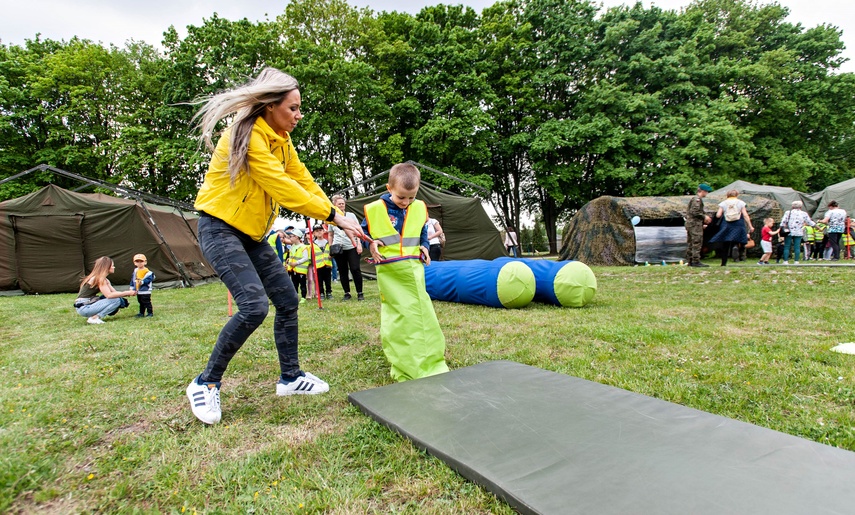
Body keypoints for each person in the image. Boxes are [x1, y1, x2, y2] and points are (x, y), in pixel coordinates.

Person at [187, 67, 364, 425]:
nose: (299, 116)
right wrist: (334, 216)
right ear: (269, 106)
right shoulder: (248, 136)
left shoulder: (282, 141)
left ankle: (290, 377)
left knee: (286, 300)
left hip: (251, 235)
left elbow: (303, 181)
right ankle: (205, 383)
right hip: (220, 229)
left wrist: (339, 214)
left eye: (300, 109)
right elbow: (284, 190)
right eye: (293, 108)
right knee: (253, 307)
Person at [361, 162, 450, 382]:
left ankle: (430, 359)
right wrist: (371, 243)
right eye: (401, 197)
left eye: (411, 197)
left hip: (414, 270)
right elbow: (364, 233)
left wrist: (425, 247)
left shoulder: (418, 207)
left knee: (421, 312)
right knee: (399, 315)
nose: (406, 202)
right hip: (390, 273)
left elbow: (421, 231)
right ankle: (404, 361)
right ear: (389, 188)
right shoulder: (375, 210)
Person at [74, 256, 136, 324]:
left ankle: (94, 317)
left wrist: (130, 292)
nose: (114, 267)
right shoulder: (100, 279)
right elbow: (109, 295)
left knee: (118, 299)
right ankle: (95, 318)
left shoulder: (104, 279)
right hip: (84, 307)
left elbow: (114, 293)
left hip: (85, 305)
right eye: (112, 265)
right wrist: (126, 293)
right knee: (116, 300)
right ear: (106, 267)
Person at [329, 194, 364, 301]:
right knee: (342, 270)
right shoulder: (332, 218)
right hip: (338, 247)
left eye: (343, 203)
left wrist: (359, 244)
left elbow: (357, 230)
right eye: (339, 204)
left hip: (352, 246)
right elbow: (330, 234)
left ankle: (360, 292)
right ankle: (347, 293)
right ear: (335, 205)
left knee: (355, 269)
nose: (342, 205)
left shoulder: (351, 216)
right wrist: (331, 247)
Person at [708, 189, 754, 266]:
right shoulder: (741, 203)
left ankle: (723, 262)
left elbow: (718, 215)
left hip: (727, 224)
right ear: (736, 195)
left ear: (727, 195)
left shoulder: (723, 203)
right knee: (737, 239)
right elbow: (745, 215)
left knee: (725, 243)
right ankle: (736, 249)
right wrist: (750, 226)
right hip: (738, 224)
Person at [685, 183, 713, 267]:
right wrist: (704, 217)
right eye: (707, 192)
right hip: (694, 224)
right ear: (703, 191)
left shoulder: (694, 199)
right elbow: (695, 212)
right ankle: (695, 261)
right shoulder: (697, 199)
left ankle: (690, 260)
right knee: (697, 242)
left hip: (691, 223)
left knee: (691, 242)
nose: (707, 193)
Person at [286, 229, 309, 302]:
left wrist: (296, 263)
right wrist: (289, 260)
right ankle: (295, 296)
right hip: (293, 269)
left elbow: (305, 258)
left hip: (300, 269)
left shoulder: (303, 247)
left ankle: (303, 297)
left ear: (296, 237)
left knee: (302, 284)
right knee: (294, 284)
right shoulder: (292, 246)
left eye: (291, 236)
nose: (290, 238)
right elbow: (292, 256)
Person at [312, 224, 333, 300]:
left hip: (327, 264)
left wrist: (331, 255)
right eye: (317, 231)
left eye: (320, 230)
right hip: (318, 265)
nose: (319, 232)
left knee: (328, 279)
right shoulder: (313, 244)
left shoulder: (328, 242)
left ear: (324, 231)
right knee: (319, 280)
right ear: (314, 233)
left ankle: (329, 292)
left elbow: (331, 251)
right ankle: (321, 293)